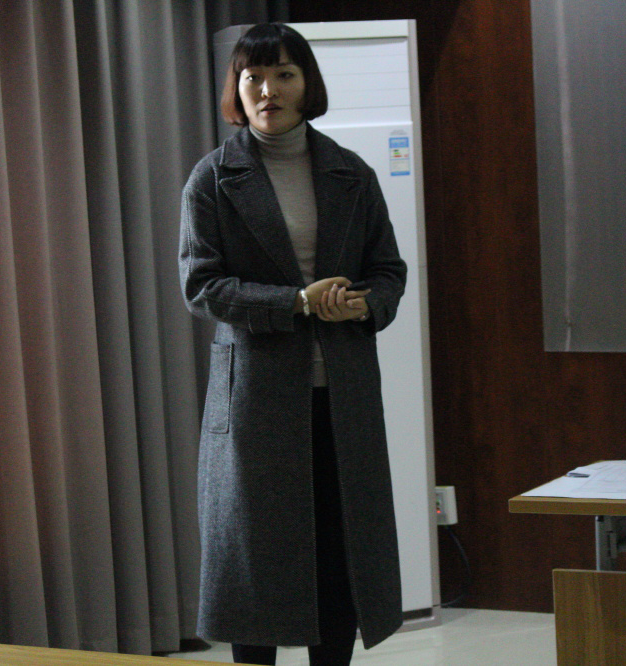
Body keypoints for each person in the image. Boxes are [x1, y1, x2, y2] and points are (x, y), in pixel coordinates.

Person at [179, 22, 406, 666]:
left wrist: (364, 301)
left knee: (340, 556)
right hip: (256, 401)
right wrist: (296, 302)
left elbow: (388, 271)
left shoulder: (351, 173)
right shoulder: (213, 178)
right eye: (252, 77)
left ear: (308, 85)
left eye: (284, 74)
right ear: (236, 88)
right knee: (254, 563)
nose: (267, 90)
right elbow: (202, 287)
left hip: (342, 397)